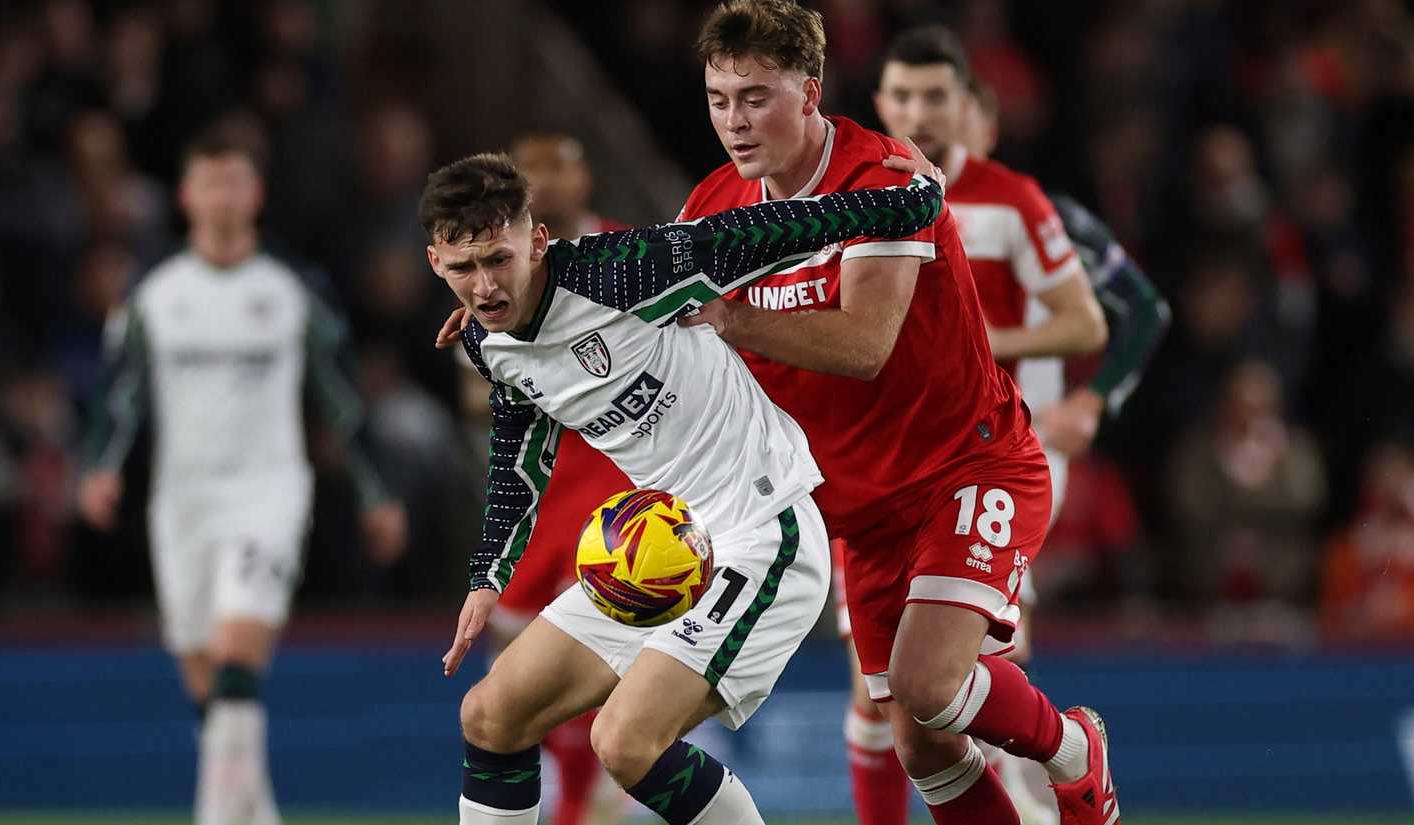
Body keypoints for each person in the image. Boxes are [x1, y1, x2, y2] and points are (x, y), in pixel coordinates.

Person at [673, 3, 1120, 822]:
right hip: (862, 512)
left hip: (969, 463)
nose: (734, 122)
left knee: (926, 684)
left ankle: (1072, 749)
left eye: (756, 97)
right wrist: (520, 308)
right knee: (920, 739)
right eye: (718, 99)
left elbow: (865, 341)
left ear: (810, 93)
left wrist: (732, 320)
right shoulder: (711, 209)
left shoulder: (884, 182)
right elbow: (649, 304)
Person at [425, 150, 944, 825]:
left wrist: (914, 203)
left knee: (625, 741)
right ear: (436, 261)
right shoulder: (486, 340)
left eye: (499, 258)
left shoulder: (624, 272)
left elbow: (773, 228)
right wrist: (489, 572)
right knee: (491, 715)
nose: (486, 285)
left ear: (537, 240)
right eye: (464, 268)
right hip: (667, 554)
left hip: (764, 532)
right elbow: (520, 447)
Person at [77, 129, 409, 825]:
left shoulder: (292, 289)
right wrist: (100, 468)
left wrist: (376, 492)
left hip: (269, 493)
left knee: (235, 658)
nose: (223, 197)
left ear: (254, 194)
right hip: (182, 500)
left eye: (235, 182)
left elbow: (342, 394)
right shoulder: (154, 294)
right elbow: (119, 393)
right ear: (186, 195)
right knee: (209, 685)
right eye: (210, 183)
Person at [466, 133, 636, 825]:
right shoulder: (495, 273)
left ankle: (581, 798)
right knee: (511, 666)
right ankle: (555, 792)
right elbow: (476, 393)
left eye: (558, 168)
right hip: (536, 496)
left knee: (583, 655)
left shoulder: (629, 254)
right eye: (530, 173)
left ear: (583, 176)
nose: (546, 184)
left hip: (614, 487)